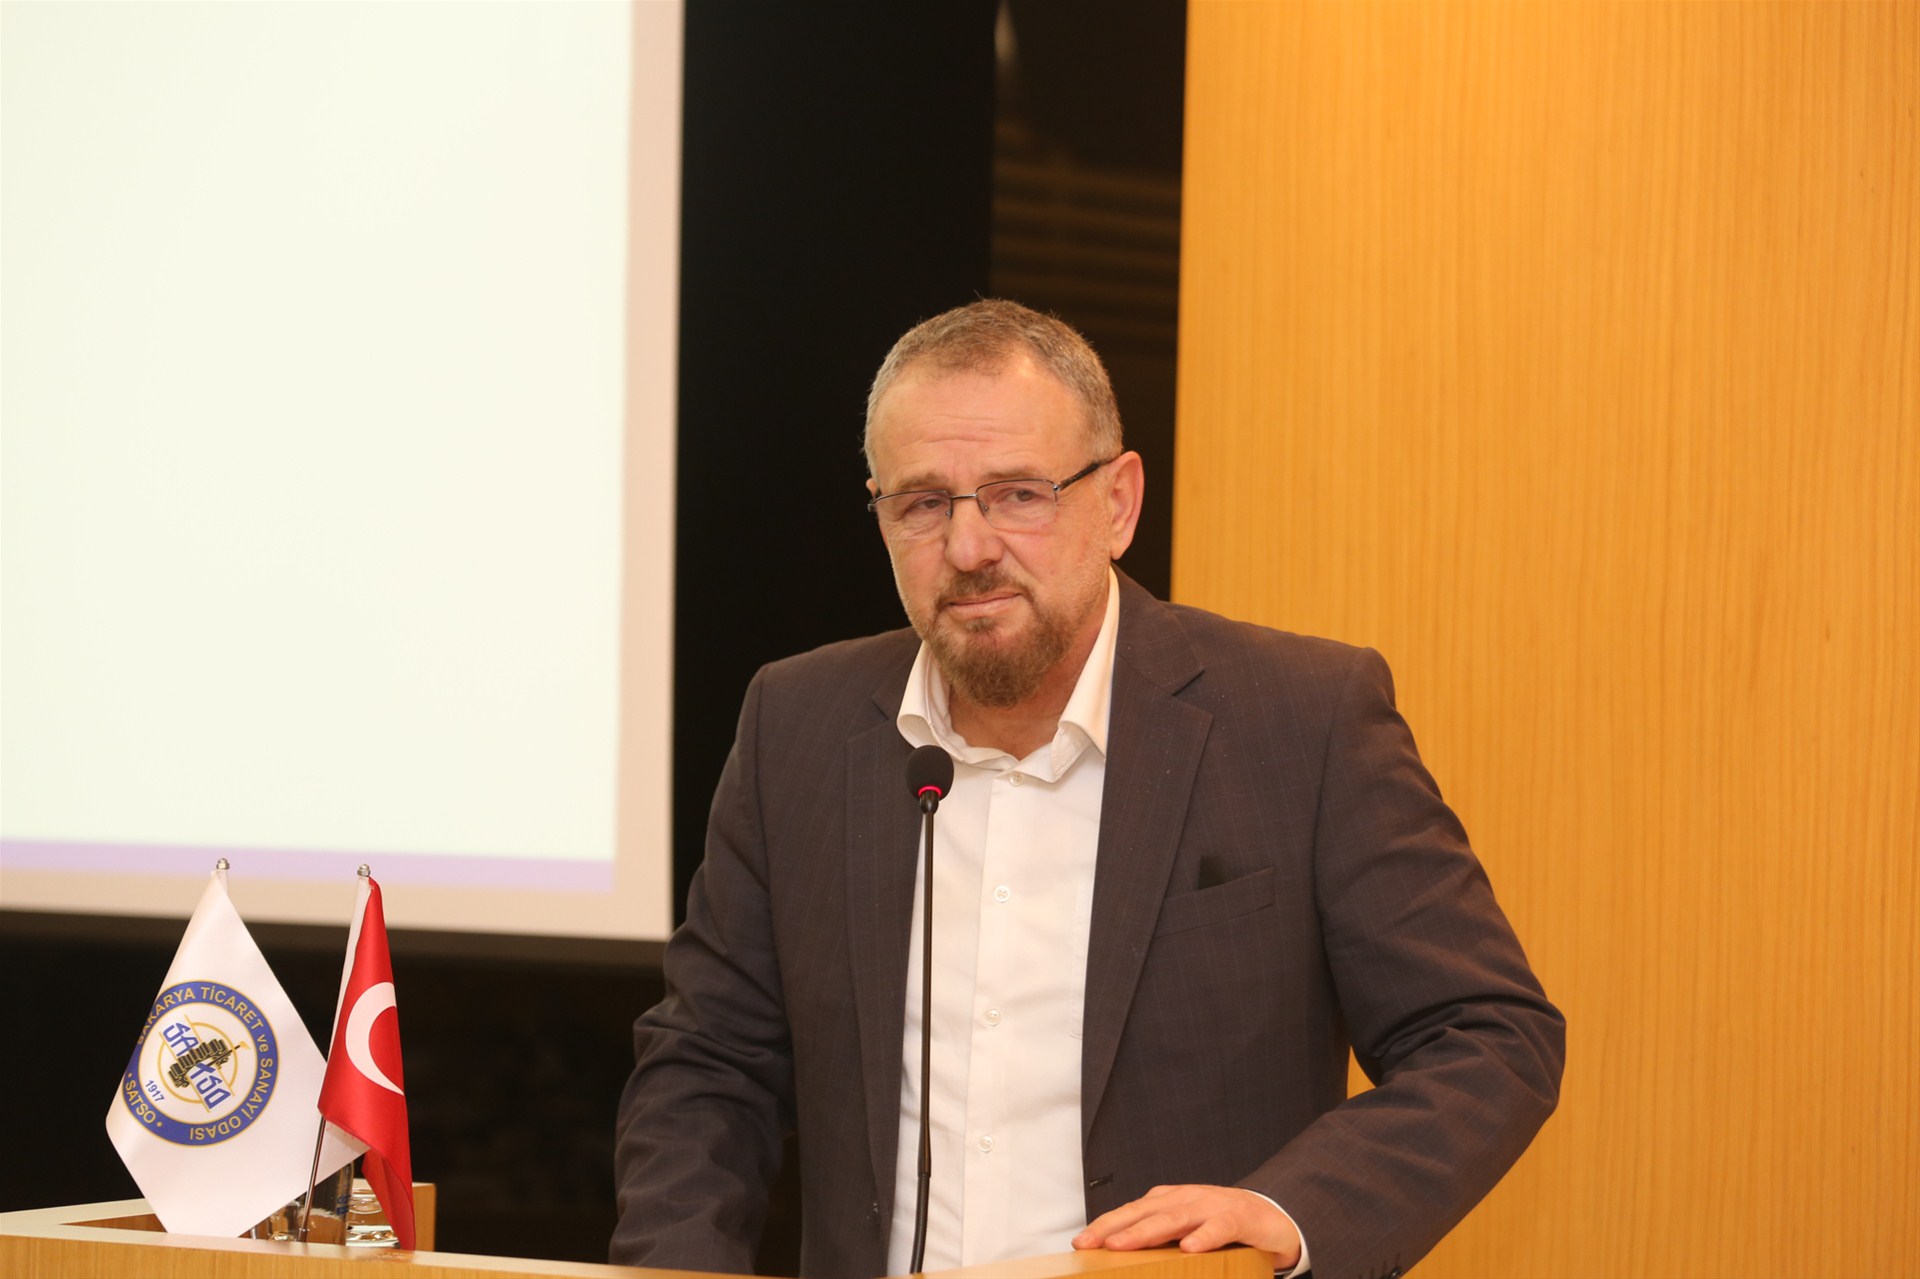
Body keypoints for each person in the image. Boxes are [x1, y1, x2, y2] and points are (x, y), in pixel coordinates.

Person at [612, 300, 1564, 1279]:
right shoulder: (798, 725)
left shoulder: (1301, 719)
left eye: (1018, 494)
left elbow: (1486, 1034)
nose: (970, 547)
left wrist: (1289, 1211)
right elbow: (707, 1066)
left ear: (1118, 502)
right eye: (923, 504)